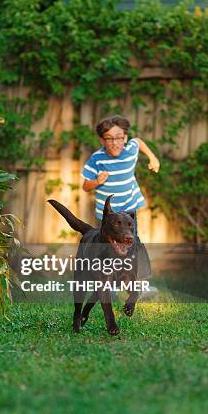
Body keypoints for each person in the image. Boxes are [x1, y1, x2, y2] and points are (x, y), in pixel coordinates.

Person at [81, 114, 160, 298]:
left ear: (124, 138)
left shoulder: (130, 150)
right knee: (107, 247)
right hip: (108, 217)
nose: (115, 143)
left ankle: (140, 285)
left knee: (134, 243)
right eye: (109, 139)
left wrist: (153, 158)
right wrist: (96, 181)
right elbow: (85, 186)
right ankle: (109, 285)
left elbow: (138, 141)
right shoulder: (97, 159)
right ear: (102, 140)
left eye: (118, 138)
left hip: (129, 213)